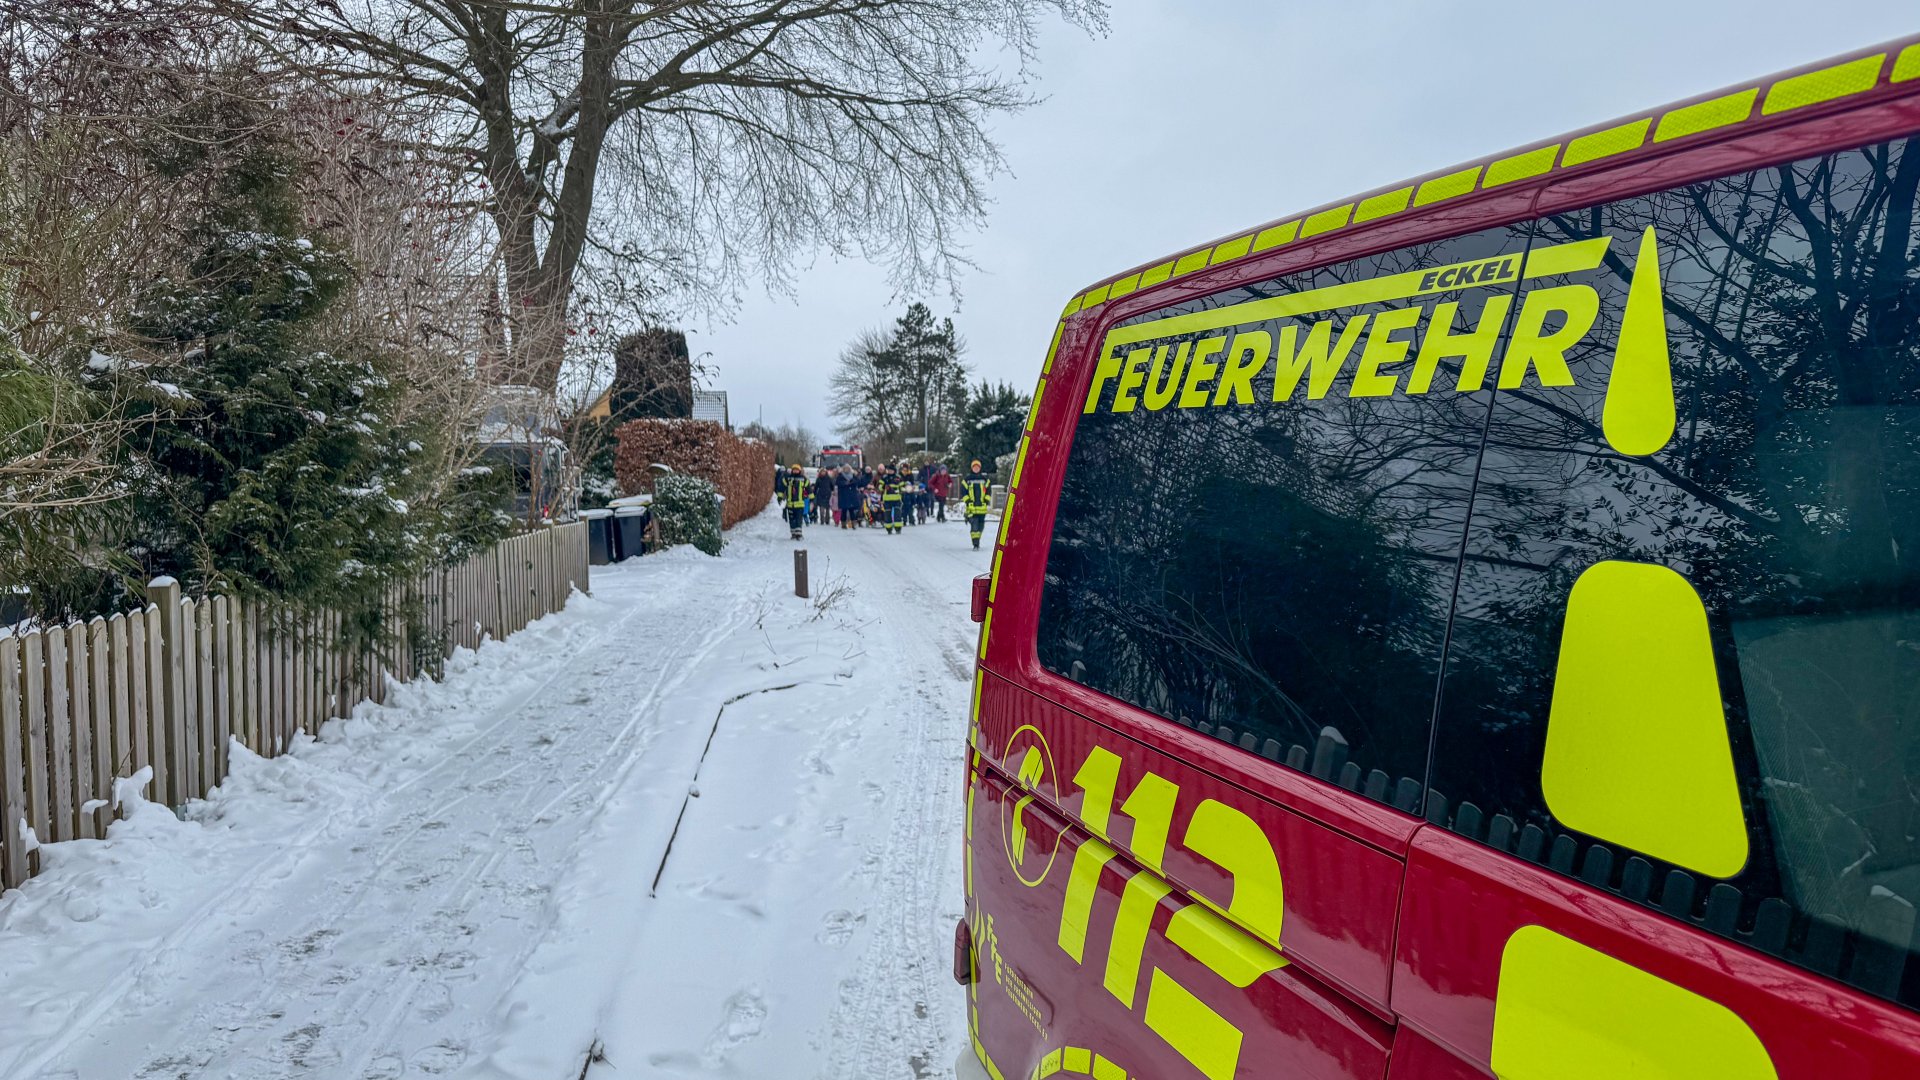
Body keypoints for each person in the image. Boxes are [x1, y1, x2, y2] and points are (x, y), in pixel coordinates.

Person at [961, 459, 992, 549]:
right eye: (974, 467)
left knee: (981, 526)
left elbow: (988, 491)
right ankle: (975, 543)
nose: (976, 469)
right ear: (972, 468)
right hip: (972, 507)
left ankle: (977, 539)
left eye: (977, 467)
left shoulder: (984, 479)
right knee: (974, 525)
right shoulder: (967, 480)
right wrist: (967, 501)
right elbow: (964, 492)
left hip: (982, 507)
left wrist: (986, 500)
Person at [781, 463, 808, 539]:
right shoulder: (788, 479)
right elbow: (782, 487)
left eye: (797, 470)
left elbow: (808, 488)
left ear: (799, 471)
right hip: (790, 504)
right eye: (794, 470)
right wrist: (780, 496)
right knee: (792, 519)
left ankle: (798, 534)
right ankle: (793, 533)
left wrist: (811, 497)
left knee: (799, 519)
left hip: (800, 504)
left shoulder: (803, 479)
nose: (795, 471)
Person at [878, 464, 905, 535]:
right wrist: (884, 487)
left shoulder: (898, 477)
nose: (889, 471)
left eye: (891, 470)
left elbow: (902, 486)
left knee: (897, 514)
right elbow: (879, 487)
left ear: (894, 470)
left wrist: (904, 489)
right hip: (887, 500)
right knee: (887, 515)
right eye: (888, 470)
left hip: (897, 499)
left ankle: (898, 529)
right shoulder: (884, 477)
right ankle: (889, 529)